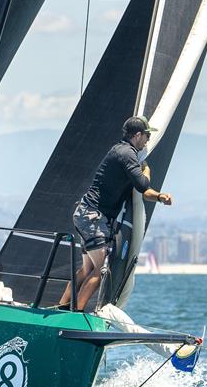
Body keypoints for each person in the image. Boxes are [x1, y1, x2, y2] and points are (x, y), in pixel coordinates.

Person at [60, 115, 173, 311]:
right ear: (138, 135)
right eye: (147, 136)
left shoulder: (121, 151)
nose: (147, 141)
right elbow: (142, 183)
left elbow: (144, 192)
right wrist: (146, 168)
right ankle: (76, 312)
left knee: (86, 269)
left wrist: (160, 196)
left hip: (86, 213)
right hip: (92, 217)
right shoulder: (126, 154)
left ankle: (62, 307)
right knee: (101, 269)